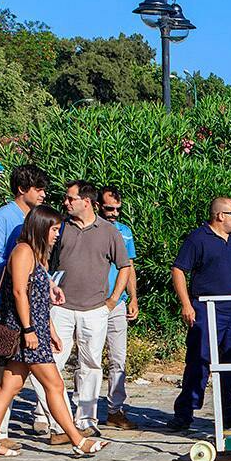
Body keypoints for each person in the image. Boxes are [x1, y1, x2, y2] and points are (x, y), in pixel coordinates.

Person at [0, 204, 95, 458]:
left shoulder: (36, 255)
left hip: (37, 329)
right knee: (54, 385)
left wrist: (50, 328)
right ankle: (77, 439)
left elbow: (39, 298)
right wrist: (30, 330)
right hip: (26, 333)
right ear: (41, 227)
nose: (56, 234)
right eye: (54, 229)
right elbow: (20, 293)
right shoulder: (22, 252)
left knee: (9, 386)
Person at [168, 195, 231, 433]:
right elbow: (178, 270)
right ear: (220, 216)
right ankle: (185, 411)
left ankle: (228, 410)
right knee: (200, 360)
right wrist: (186, 304)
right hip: (207, 309)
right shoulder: (198, 239)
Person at [48, 181, 130, 438]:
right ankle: (57, 422)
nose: (66, 202)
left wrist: (113, 300)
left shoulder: (109, 231)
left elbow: (125, 266)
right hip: (61, 308)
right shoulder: (60, 228)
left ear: (86, 201)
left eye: (71, 198)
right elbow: (45, 262)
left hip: (95, 308)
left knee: (91, 364)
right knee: (53, 363)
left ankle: (85, 420)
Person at [0, 165, 46, 437]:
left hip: (32, 306)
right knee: (0, 370)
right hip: (5, 307)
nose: (43, 194)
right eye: (38, 188)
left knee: (32, 367)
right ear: (21, 189)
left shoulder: (36, 218)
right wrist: (19, 275)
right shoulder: (1, 218)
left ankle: (51, 421)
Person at [98, 185, 139, 429]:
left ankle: (115, 409)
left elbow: (129, 266)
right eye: (109, 208)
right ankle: (85, 410)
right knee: (88, 358)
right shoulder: (91, 230)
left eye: (117, 209)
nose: (113, 213)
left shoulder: (124, 232)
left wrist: (132, 297)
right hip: (92, 301)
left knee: (118, 358)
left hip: (118, 303)